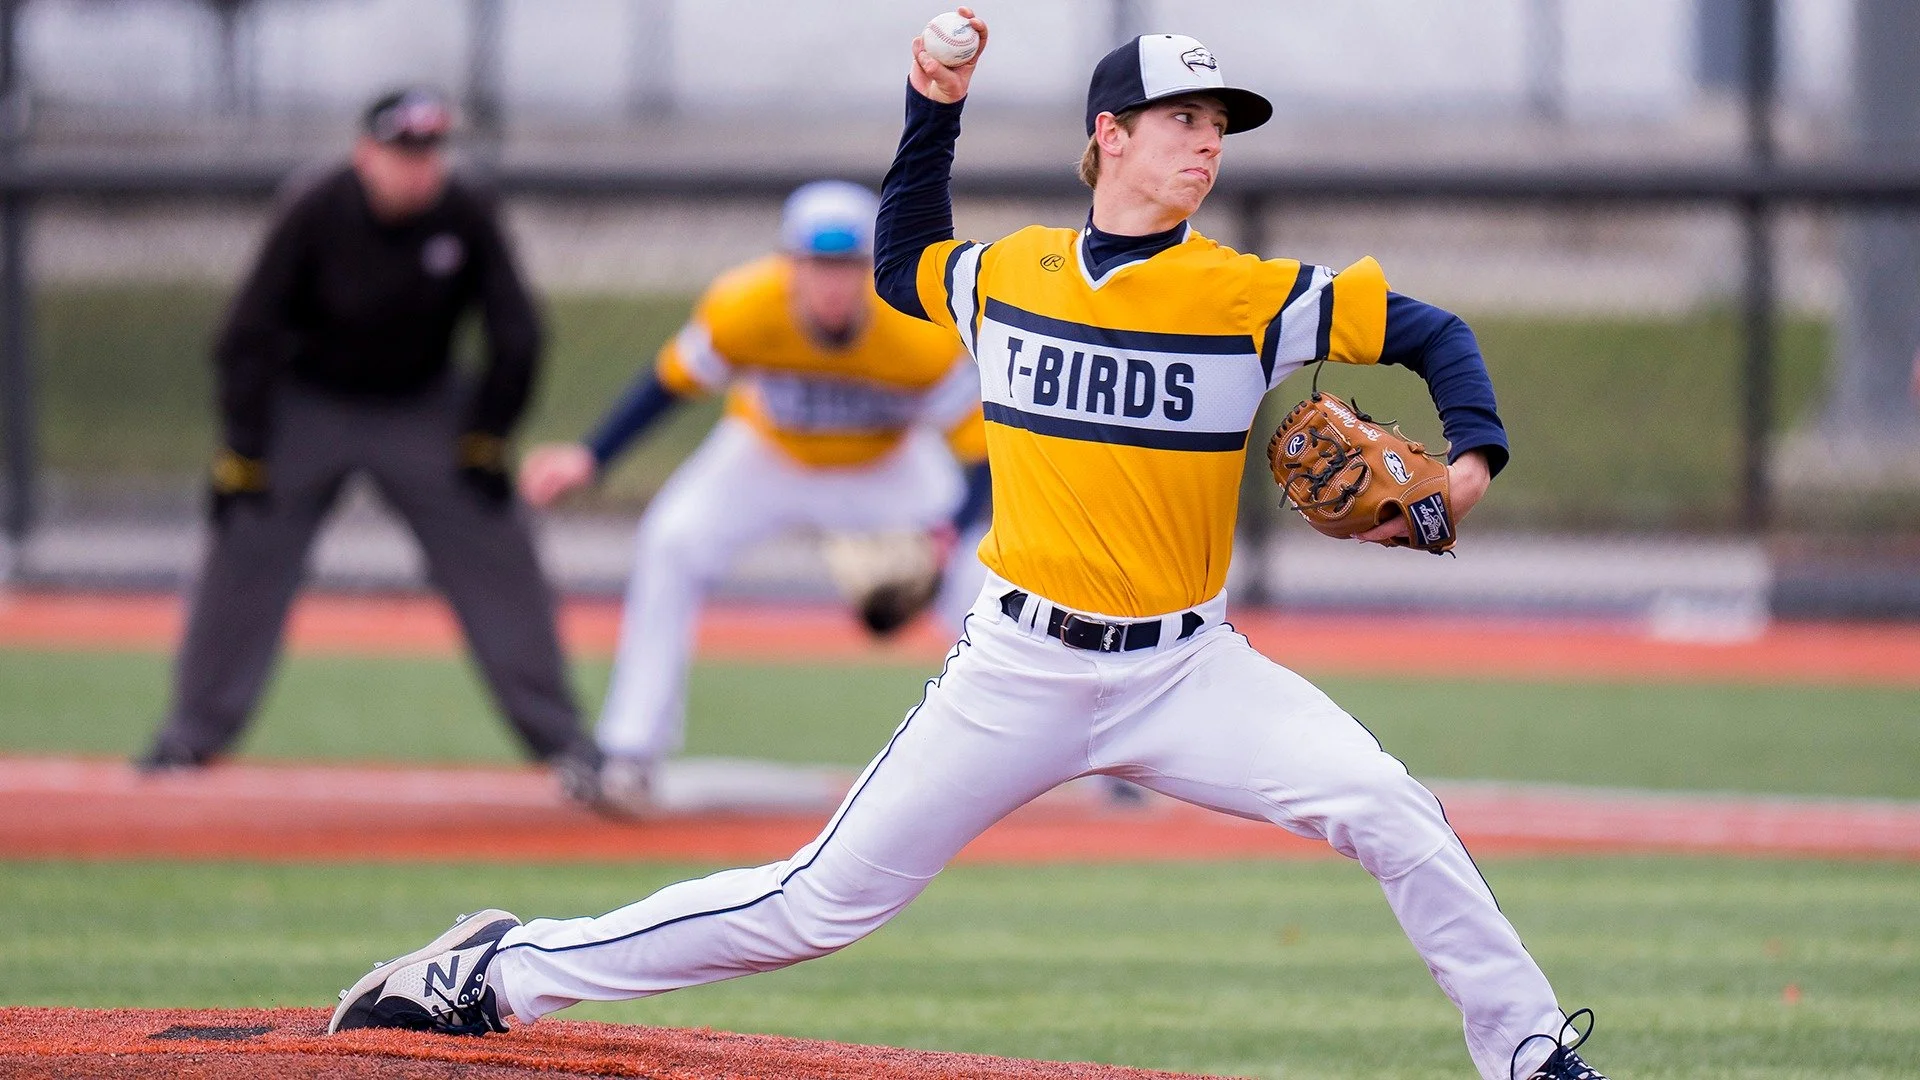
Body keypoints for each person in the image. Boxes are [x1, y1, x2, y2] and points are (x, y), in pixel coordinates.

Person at [328, 20, 1607, 1080]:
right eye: (1184, 119)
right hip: (1018, 670)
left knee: (1389, 807)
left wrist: (1472, 467)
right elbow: (900, 261)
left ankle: (1531, 1053)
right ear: (1109, 134)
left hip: (1190, 672)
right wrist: (930, 106)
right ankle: (496, 973)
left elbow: (1436, 333)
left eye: (1220, 126)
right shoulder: (1010, 275)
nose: (1208, 144)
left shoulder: (1253, 296)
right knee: (817, 905)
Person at [136, 87, 602, 804]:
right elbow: (247, 332)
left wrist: (486, 438)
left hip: (422, 405)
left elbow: (517, 332)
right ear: (366, 154)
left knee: (500, 549)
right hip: (309, 402)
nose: (420, 168)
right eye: (403, 153)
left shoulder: (465, 209)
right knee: (243, 549)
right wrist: (244, 446)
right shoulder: (316, 204)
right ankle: (189, 736)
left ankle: (564, 741)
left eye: (431, 152)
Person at [515, 180, 992, 816]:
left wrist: (948, 531)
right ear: (787, 265)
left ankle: (1007, 749)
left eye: (847, 266)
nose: (830, 283)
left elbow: (980, 448)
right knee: (673, 540)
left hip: (885, 464)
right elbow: (668, 383)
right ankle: (631, 750)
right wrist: (592, 456)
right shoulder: (744, 305)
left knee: (979, 576)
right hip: (766, 453)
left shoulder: (917, 329)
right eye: (815, 265)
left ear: (871, 269)